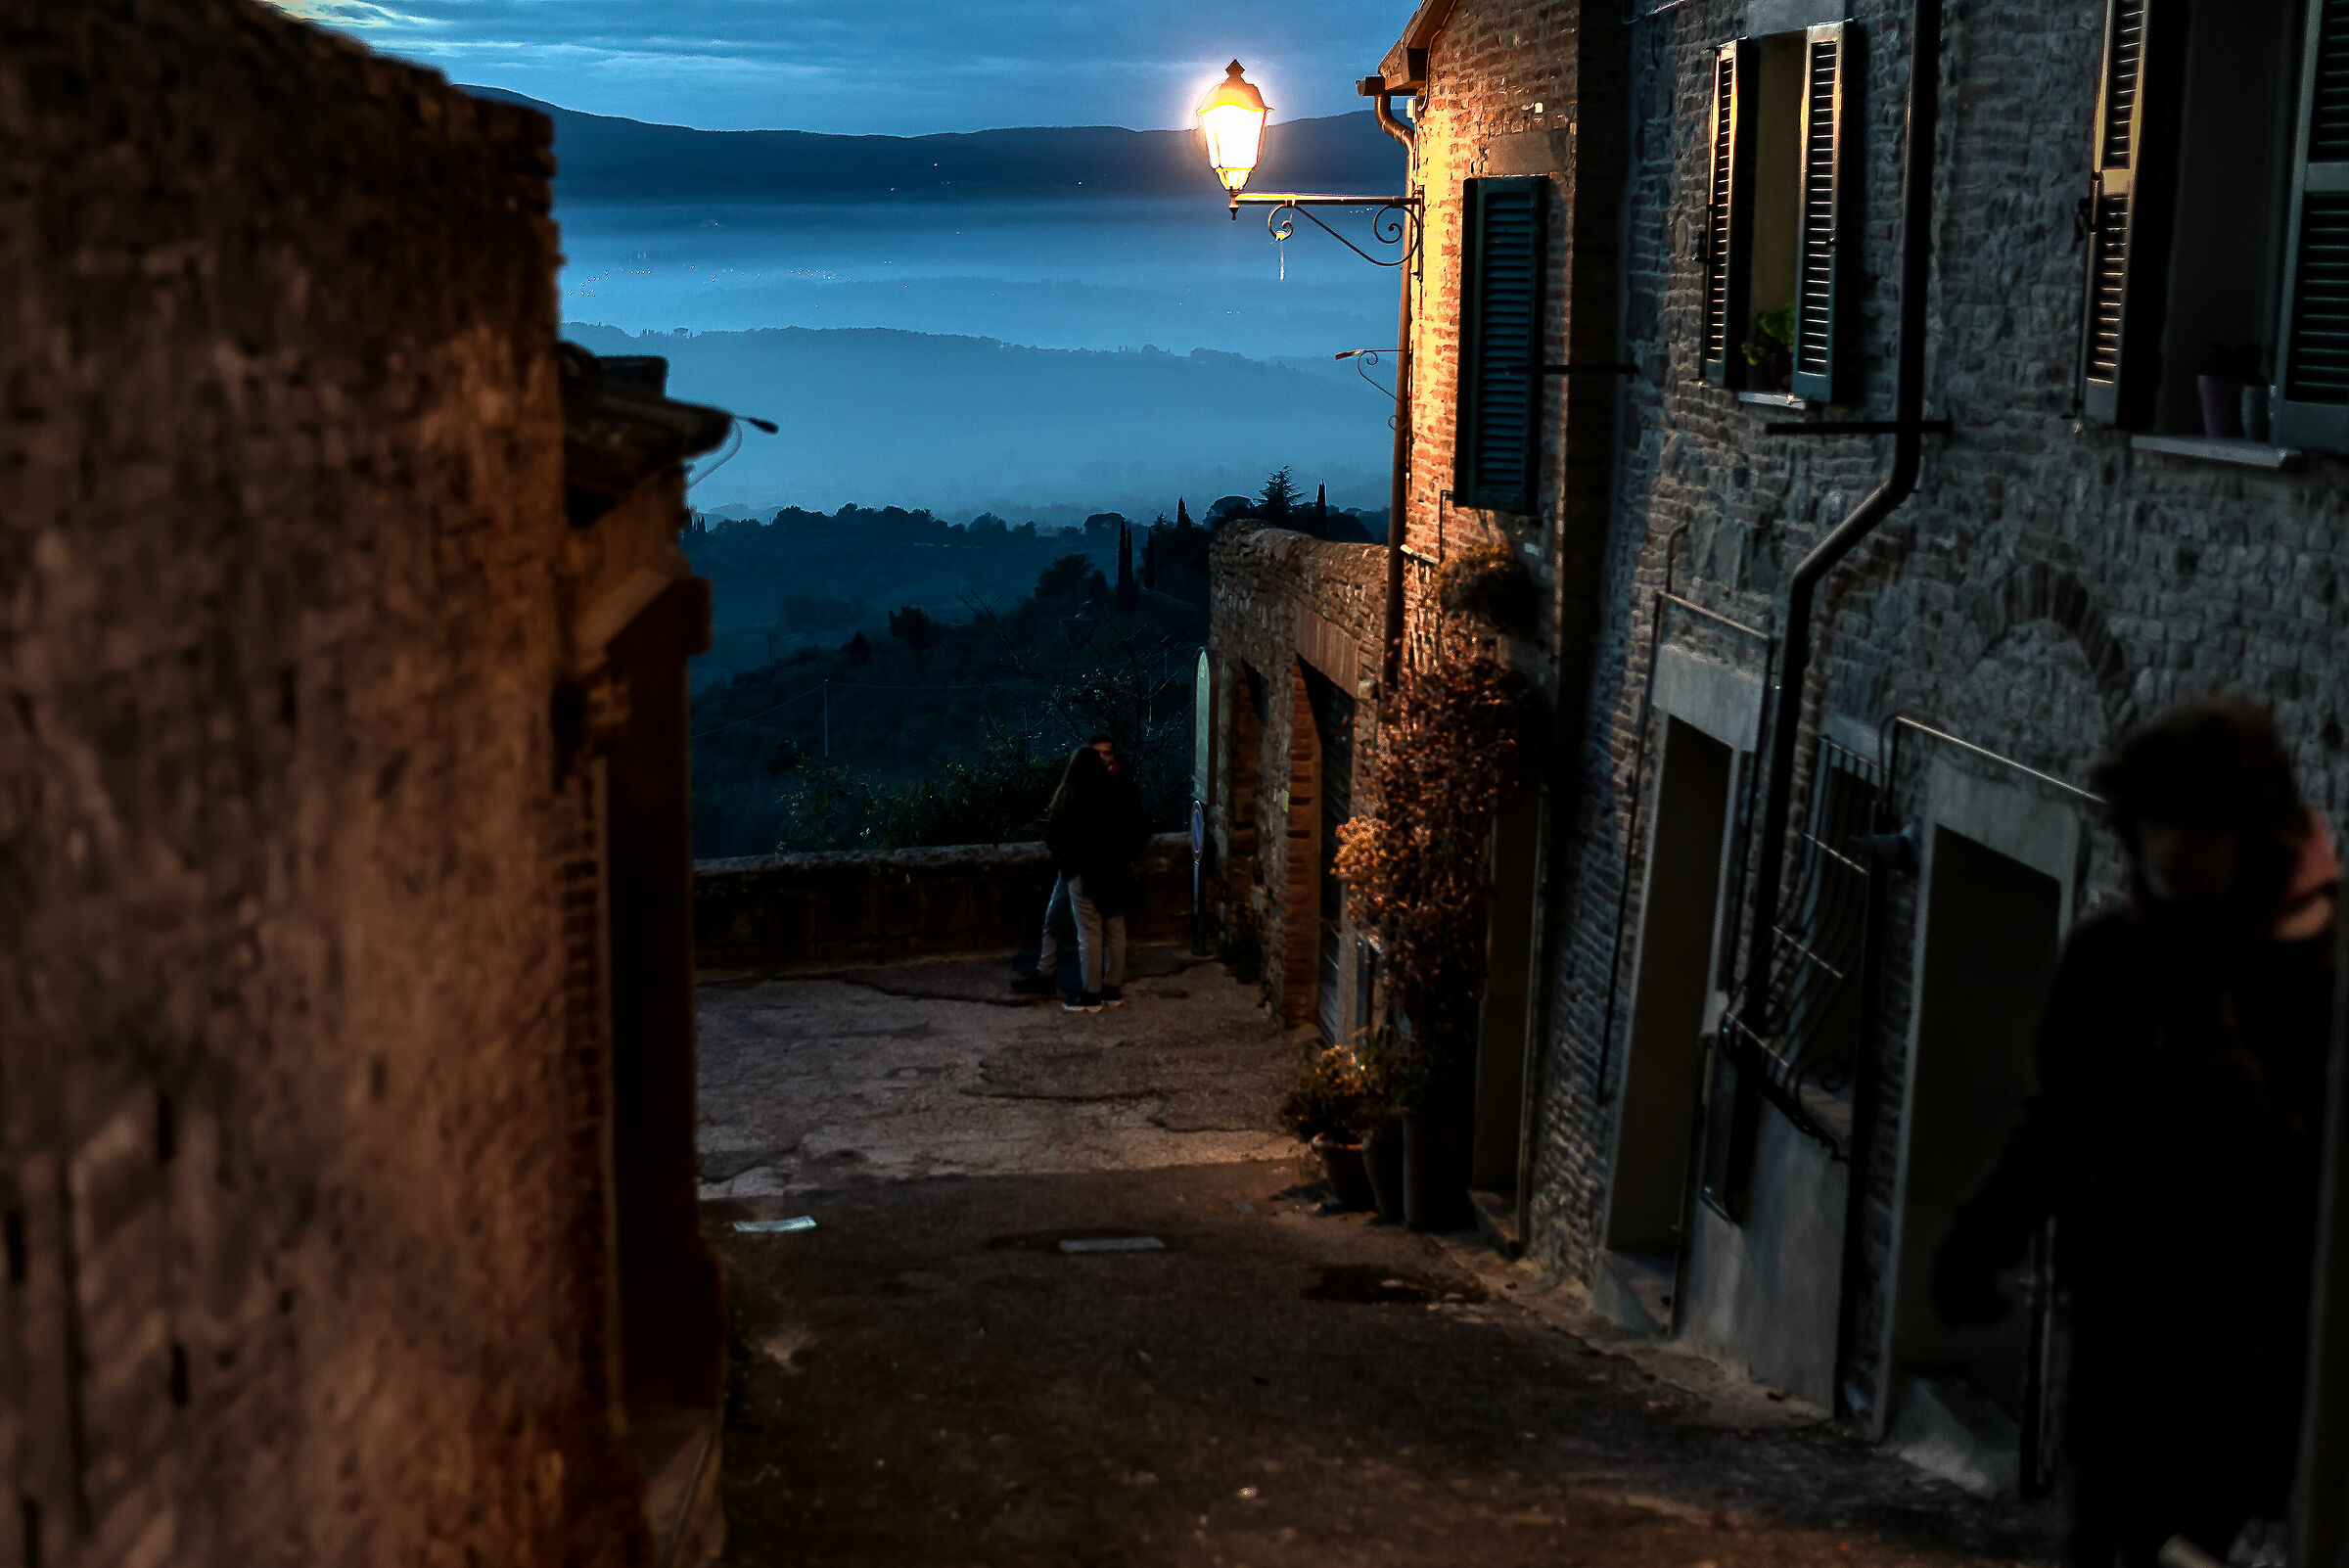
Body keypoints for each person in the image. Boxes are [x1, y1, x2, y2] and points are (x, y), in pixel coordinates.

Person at [1934, 698, 2336, 1567]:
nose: (2174, 849)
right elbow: (2064, 1120)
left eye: (2200, 824)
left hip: (2258, 1343)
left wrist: (2223, 1064)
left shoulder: (2317, 970)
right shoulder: (2112, 959)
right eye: (2159, 820)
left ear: (2248, 832)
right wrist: (1982, 1236)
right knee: (2107, 1532)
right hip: (2124, 1319)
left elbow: (2308, 1175)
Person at [1010, 735, 1146, 1012]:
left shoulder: (1075, 796)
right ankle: (1110, 989)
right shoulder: (1117, 792)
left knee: (1090, 933)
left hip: (1082, 871)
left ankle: (1091, 994)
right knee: (1111, 929)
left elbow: (1057, 836)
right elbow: (1133, 829)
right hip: (1111, 869)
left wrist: (1070, 858)